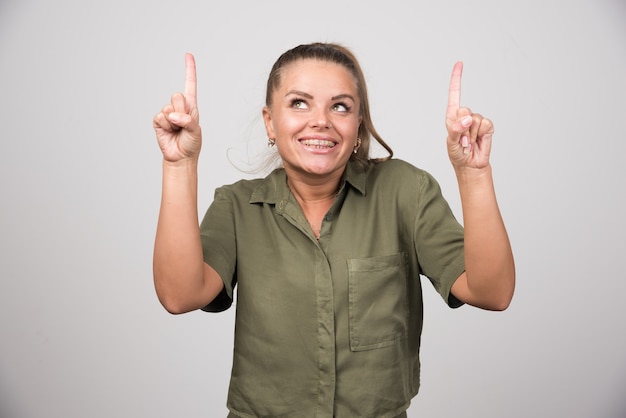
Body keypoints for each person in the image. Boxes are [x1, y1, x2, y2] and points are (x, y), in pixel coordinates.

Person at [152, 42, 515, 418]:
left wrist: (474, 174)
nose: (321, 120)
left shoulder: (405, 191)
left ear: (358, 124)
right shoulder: (237, 207)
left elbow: (492, 292)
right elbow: (179, 296)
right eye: (299, 103)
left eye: (340, 106)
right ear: (269, 122)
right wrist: (179, 166)